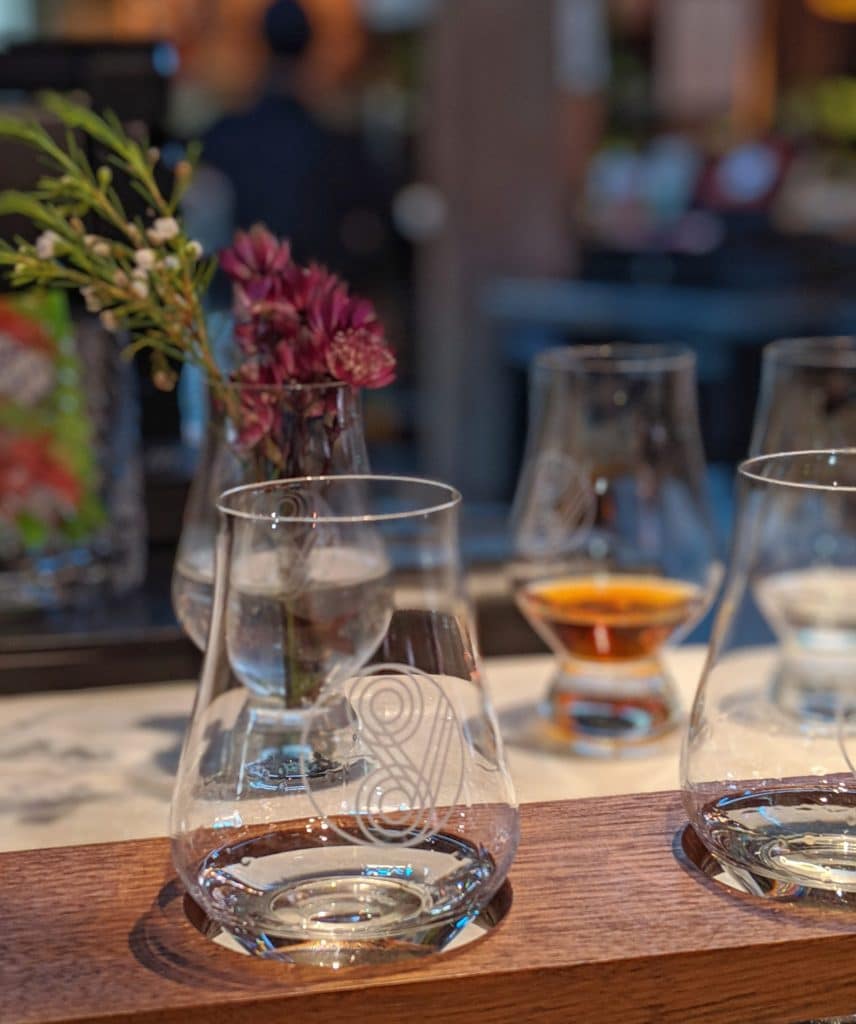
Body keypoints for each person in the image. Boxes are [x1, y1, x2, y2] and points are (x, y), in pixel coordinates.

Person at [201, 0, 390, 280]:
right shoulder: (336, 142)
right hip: (310, 298)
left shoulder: (224, 136)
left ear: (261, 41)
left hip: (242, 297)